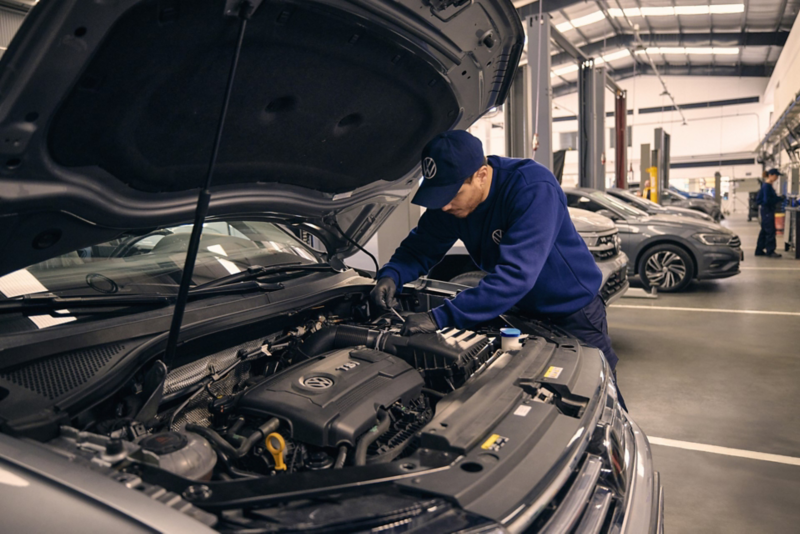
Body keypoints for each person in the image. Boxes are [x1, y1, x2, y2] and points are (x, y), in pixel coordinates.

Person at [370, 130, 624, 401]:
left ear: (481, 175)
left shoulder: (531, 187)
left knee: (596, 397)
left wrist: (438, 318)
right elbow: (420, 248)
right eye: (438, 195)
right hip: (518, 311)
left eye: (452, 194)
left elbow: (515, 277)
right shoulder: (450, 204)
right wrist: (391, 275)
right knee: (524, 399)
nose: (443, 206)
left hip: (573, 312)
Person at [755, 169, 783, 258]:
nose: (777, 178)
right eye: (776, 175)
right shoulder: (767, 186)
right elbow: (767, 200)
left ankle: (759, 250)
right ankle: (770, 251)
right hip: (767, 210)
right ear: (771, 175)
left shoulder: (766, 185)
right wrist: (779, 199)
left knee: (764, 230)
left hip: (765, 211)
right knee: (770, 231)